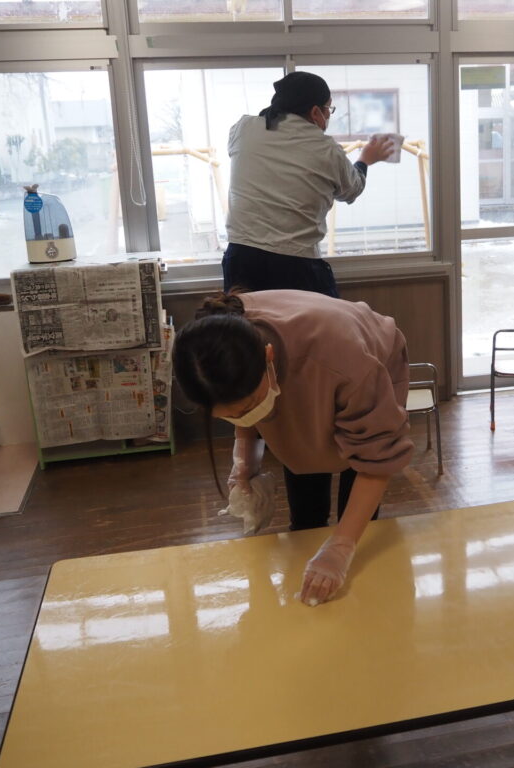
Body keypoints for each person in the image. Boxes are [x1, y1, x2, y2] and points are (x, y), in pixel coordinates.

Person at [173, 289, 413, 606]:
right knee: (302, 455)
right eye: (229, 415)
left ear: (268, 357)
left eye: (250, 406)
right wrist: (246, 465)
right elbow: (245, 407)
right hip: (305, 359)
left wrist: (340, 548)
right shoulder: (216, 349)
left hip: (363, 353)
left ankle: (349, 545)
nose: (243, 417)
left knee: (357, 478)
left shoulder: (346, 360)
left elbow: (377, 457)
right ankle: (307, 529)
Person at [223, 72, 396, 297]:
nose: (328, 116)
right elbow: (352, 190)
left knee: (246, 320)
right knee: (320, 319)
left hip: (240, 258)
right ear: (315, 112)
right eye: (329, 109)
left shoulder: (242, 128)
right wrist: (365, 159)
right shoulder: (326, 149)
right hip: (295, 264)